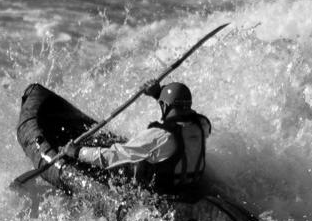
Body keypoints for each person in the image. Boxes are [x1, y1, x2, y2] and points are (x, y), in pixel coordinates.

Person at [69, 82, 212, 198]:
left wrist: (77, 152)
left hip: (161, 194)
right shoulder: (202, 125)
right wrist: (158, 93)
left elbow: (111, 157)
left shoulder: (159, 136)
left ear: (164, 106)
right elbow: (179, 111)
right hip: (187, 187)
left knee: (131, 160)